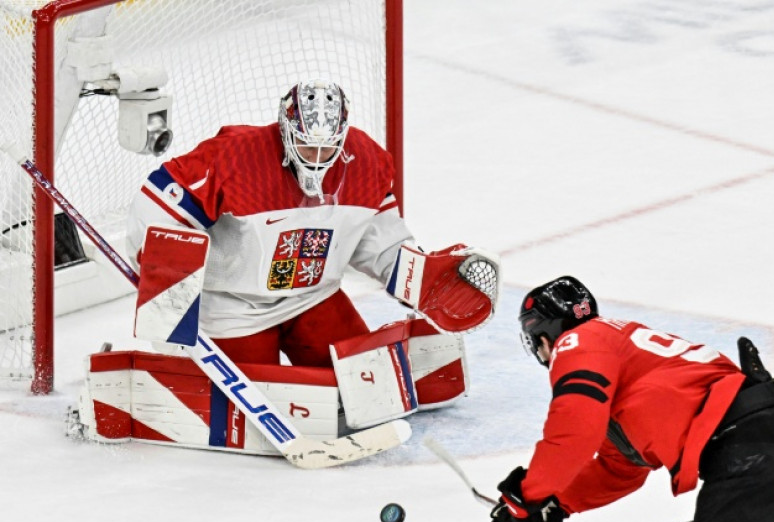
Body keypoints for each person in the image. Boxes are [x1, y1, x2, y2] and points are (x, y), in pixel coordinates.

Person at [125, 78, 496, 369]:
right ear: (286, 130)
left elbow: (378, 242)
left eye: (328, 147)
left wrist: (416, 277)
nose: (317, 158)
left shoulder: (366, 164)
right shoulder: (235, 156)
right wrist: (169, 289)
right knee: (254, 403)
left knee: (363, 379)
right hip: (233, 311)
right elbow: (156, 210)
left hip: (314, 297)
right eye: (305, 144)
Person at [490, 276, 774, 522]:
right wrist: (557, 501)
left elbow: (575, 431)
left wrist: (528, 495)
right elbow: (621, 468)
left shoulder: (577, 341)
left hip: (748, 451)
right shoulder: (620, 351)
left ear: (542, 337)